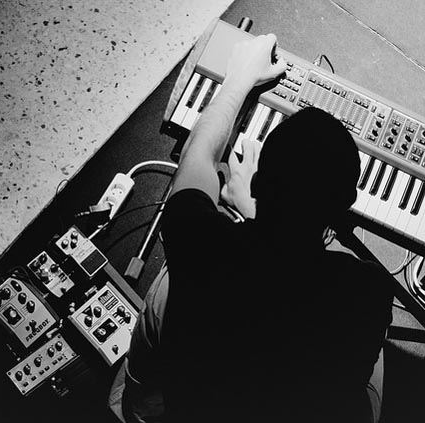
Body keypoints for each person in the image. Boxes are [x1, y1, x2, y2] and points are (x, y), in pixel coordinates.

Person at [109, 33, 393, 423]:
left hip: (202, 407)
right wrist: (258, 216)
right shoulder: (367, 290)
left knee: (165, 289)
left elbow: (198, 156)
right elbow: (293, 278)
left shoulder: (200, 244)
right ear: (344, 207)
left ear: (257, 184)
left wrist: (240, 78)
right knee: (371, 365)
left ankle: (137, 404)